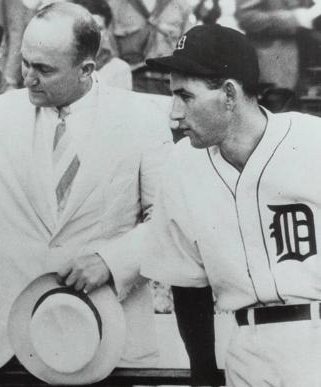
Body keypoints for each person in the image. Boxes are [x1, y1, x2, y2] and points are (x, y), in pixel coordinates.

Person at [0, 2, 173, 377]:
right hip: (10, 344)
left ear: (87, 68)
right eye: (24, 62)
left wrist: (112, 261)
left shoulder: (142, 121)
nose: (28, 78)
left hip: (110, 341)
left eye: (44, 69)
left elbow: (170, 219)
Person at [102, 23, 321, 386]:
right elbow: (187, 282)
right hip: (247, 350)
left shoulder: (312, 142)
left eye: (186, 96)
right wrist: (203, 374)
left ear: (230, 94)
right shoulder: (183, 164)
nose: (174, 113)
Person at [107, 0, 193, 95]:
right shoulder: (115, 5)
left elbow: (189, 50)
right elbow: (108, 50)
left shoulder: (181, 6)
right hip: (130, 82)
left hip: (169, 83)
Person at [72, 0, 132, 90]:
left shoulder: (118, 69)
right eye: (86, 28)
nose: (93, 35)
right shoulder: (61, 64)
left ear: (107, 31)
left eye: (100, 28)